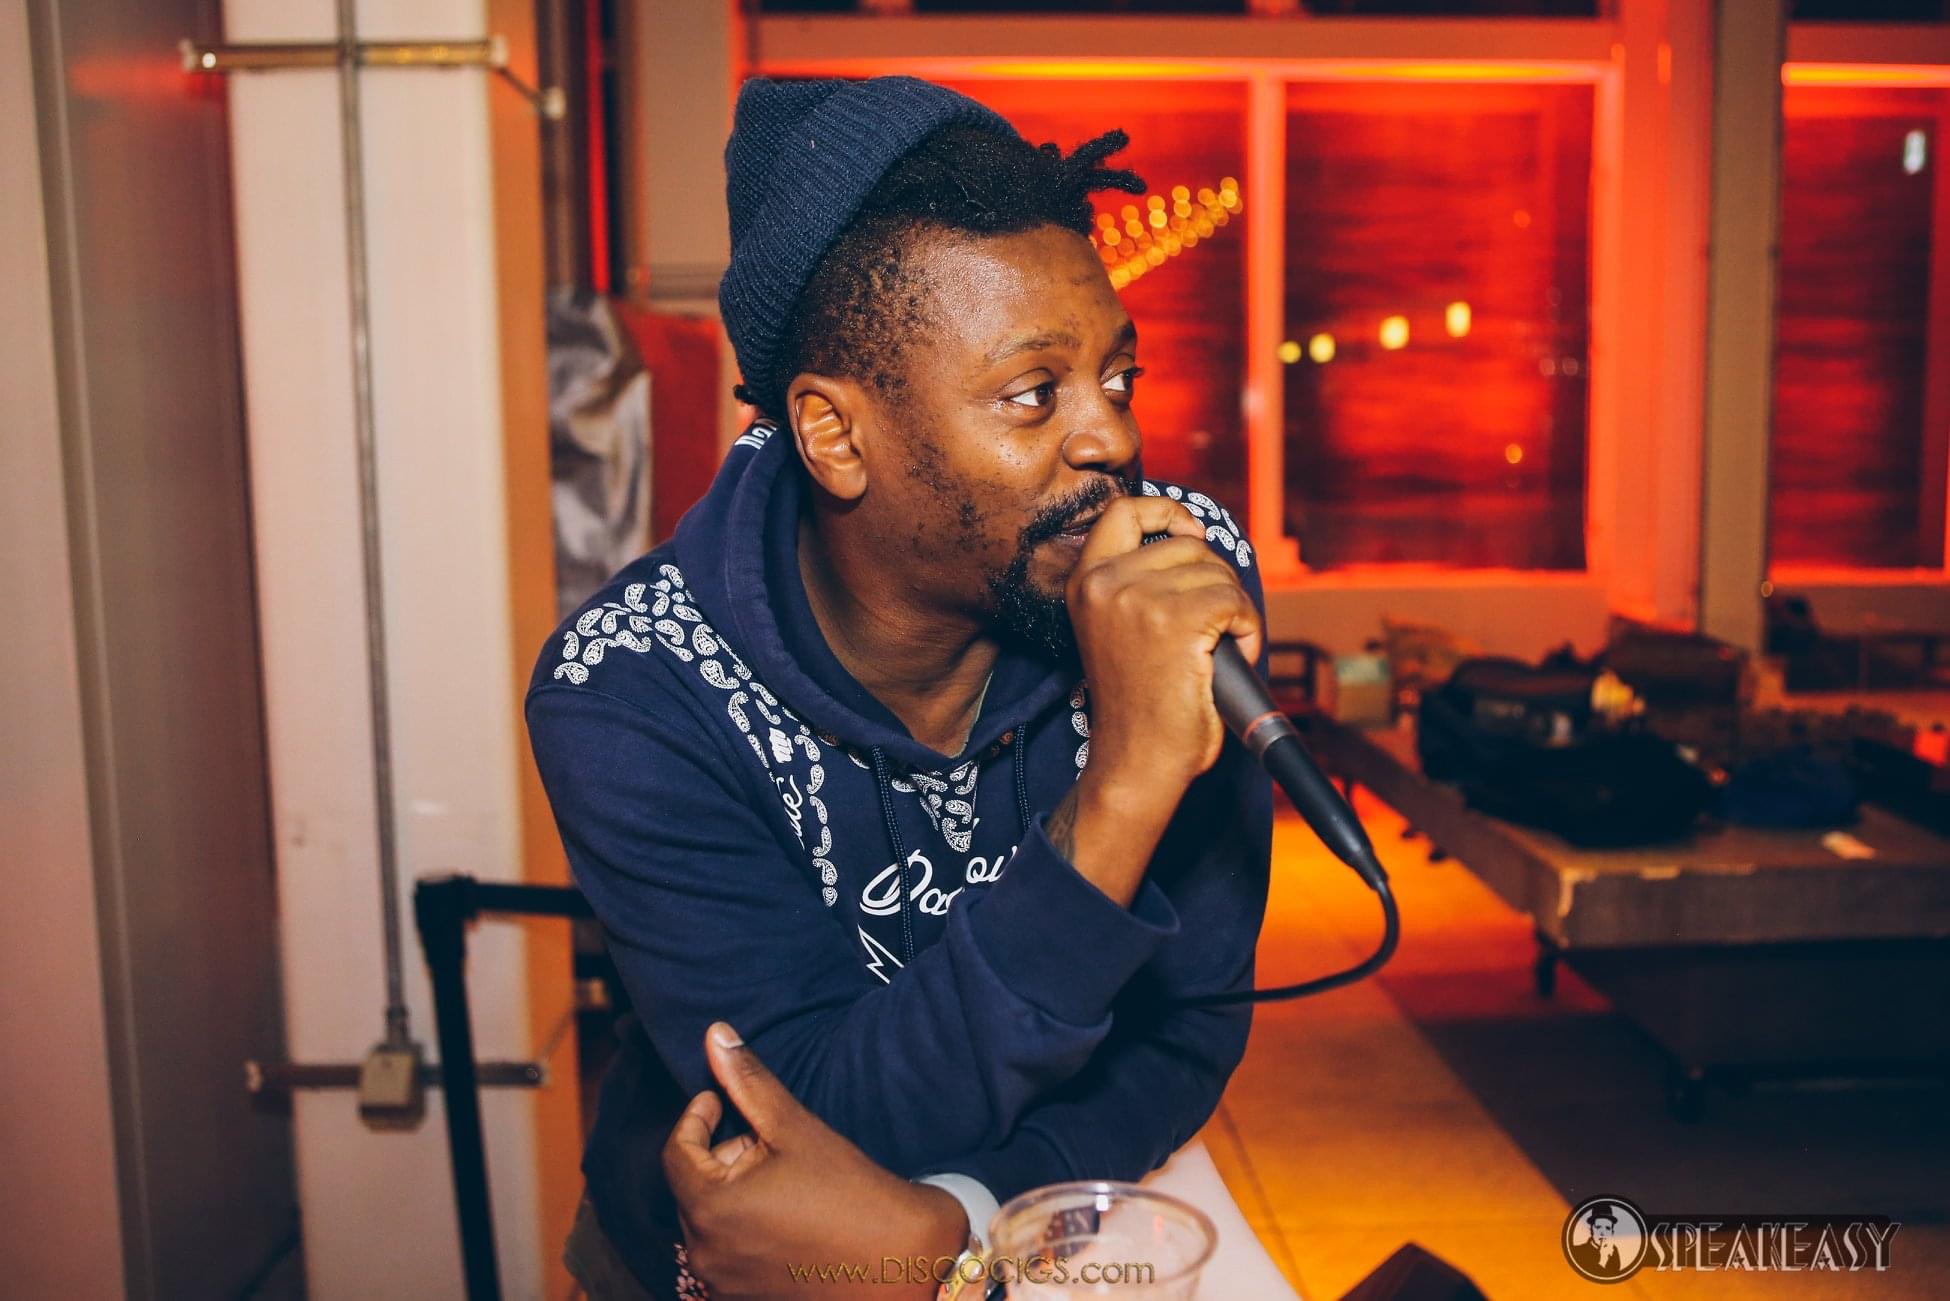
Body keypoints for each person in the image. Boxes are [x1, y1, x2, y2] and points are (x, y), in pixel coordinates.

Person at [526, 74, 1273, 1298]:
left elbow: (1187, 1030)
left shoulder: (1174, 581)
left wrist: (958, 1234)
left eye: (1118, 378)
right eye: (1034, 394)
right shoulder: (634, 691)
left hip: (1051, 1223)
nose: (1113, 440)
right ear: (837, 436)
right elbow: (811, 1130)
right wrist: (1121, 792)